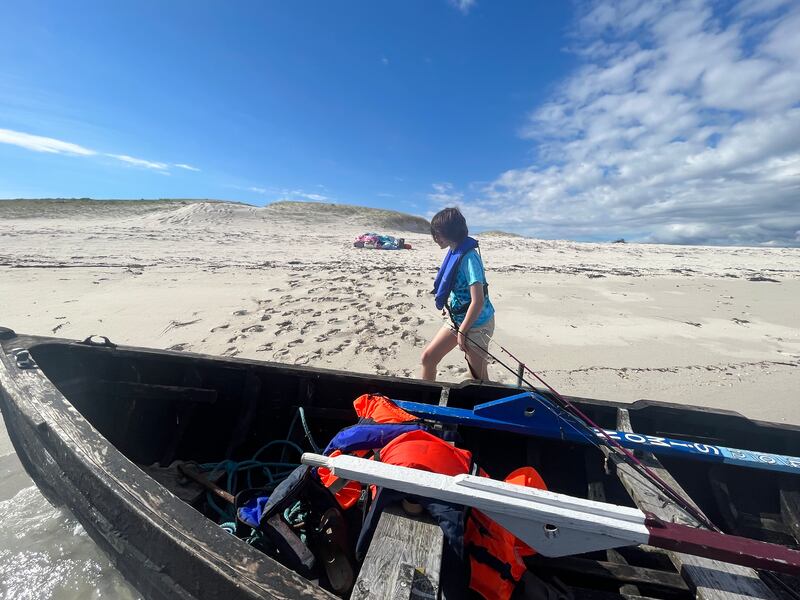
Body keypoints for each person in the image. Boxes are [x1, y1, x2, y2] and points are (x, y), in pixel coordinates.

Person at [421, 207, 495, 381]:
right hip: (458, 319)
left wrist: (462, 332)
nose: (436, 238)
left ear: (451, 232)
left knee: (479, 379)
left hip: (478, 324)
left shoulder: (469, 258)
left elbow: (478, 300)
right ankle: (426, 401)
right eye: (434, 233)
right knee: (428, 358)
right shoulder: (454, 251)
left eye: (439, 233)